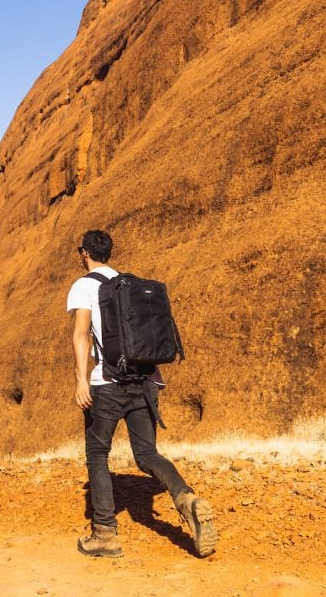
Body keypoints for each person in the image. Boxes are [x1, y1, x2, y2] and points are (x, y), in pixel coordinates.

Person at [68, 229, 217, 558]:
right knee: (147, 454)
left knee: (97, 454)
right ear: (109, 252)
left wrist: (81, 381)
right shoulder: (129, 284)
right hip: (146, 381)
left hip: (107, 384)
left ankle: (105, 533)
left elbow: (81, 335)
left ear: (85, 253)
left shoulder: (85, 285)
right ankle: (186, 497)